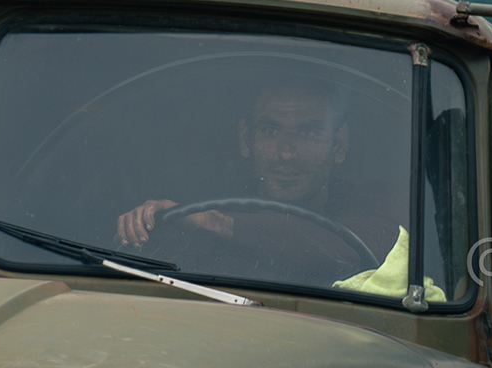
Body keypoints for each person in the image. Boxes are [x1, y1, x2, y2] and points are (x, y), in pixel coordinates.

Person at [113, 76, 387, 286]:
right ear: (246, 139)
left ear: (338, 144)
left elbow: (352, 249)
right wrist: (139, 231)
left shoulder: (376, 204)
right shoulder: (201, 223)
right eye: (270, 130)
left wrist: (212, 222)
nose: (287, 153)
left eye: (309, 133)